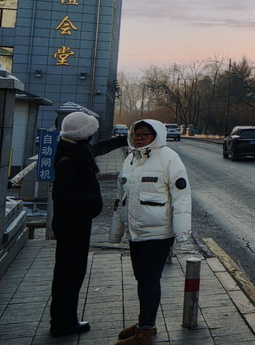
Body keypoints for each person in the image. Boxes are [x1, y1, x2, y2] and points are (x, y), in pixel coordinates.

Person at [108, 119, 192, 345]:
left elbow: (182, 198)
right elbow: (121, 198)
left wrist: (182, 234)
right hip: (136, 233)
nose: (139, 138)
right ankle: (144, 322)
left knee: (149, 280)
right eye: (137, 134)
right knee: (142, 279)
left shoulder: (169, 158)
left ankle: (145, 332)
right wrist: (116, 232)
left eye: (145, 134)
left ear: (157, 136)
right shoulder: (131, 159)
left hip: (159, 233)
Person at [50, 111, 128, 338]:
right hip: (71, 225)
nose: (92, 137)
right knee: (69, 274)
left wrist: (123, 139)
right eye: (90, 132)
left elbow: (98, 149)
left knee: (71, 273)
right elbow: (62, 196)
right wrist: (91, 201)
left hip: (75, 223)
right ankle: (63, 323)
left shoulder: (73, 150)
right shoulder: (68, 159)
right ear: (82, 134)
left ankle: (66, 319)